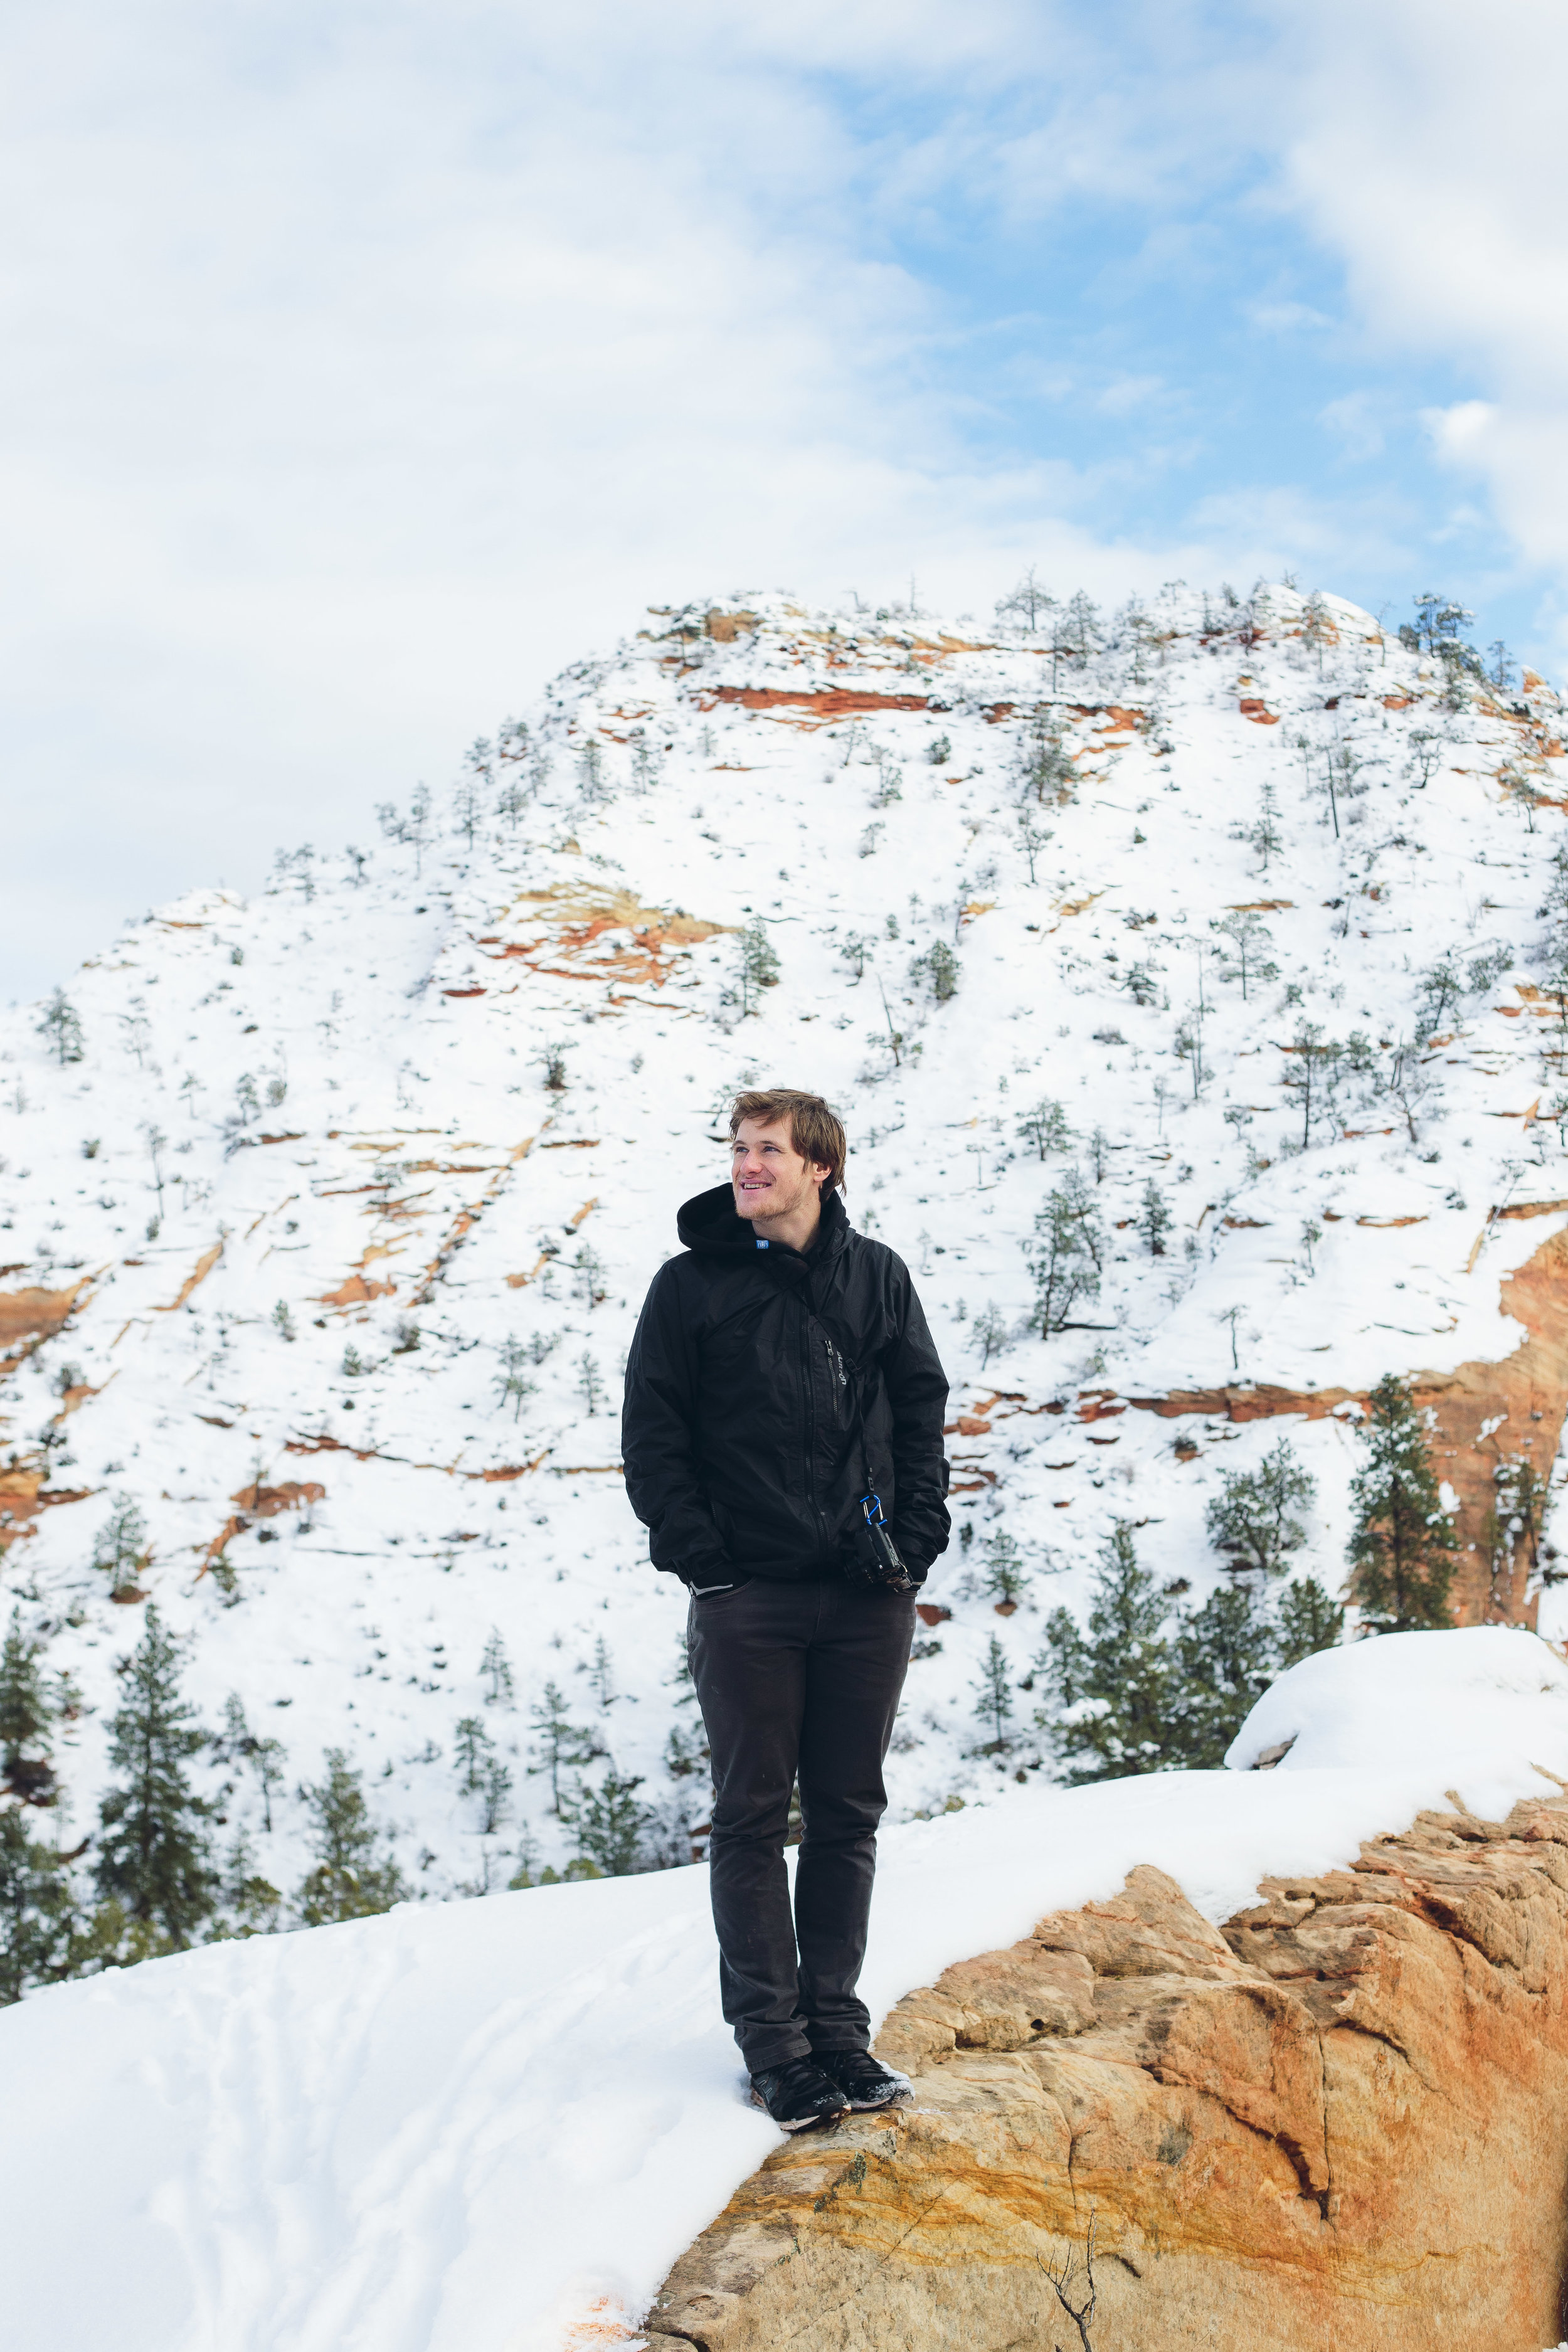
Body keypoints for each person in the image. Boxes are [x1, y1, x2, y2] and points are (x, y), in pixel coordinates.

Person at [622, 1088, 950, 2131]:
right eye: (739, 1147)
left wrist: (917, 1541)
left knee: (849, 1814)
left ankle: (839, 2035)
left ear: (821, 1168)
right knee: (755, 1818)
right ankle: (777, 2051)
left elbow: (920, 1407)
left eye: (768, 1149)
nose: (746, 1165)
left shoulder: (877, 1276)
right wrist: (704, 1561)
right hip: (749, 1598)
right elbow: (653, 1431)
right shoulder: (689, 1286)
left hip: (866, 1593)